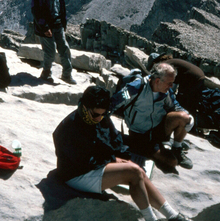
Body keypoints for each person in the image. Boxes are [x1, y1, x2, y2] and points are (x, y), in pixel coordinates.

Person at [53, 86, 190, 221]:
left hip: (96, 165)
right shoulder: (68, 128)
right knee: (133, 172)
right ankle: (151, 219)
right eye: (95, 115)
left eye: (103, 114)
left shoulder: (100, 117)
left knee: (138, 171)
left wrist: (122, 157)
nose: (99, 119)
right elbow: (83, 161)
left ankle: (172, 216)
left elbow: (115, 139)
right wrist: (112, 159)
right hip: (77, 174)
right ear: (84, 107)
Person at [111, 63, 194, 170]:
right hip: (139, 134)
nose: (171, 86)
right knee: (172, 162)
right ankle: (146, 148)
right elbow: (114, 102)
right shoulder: (135, 88)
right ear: (157, 81)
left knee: (184, 117)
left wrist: (187, 115)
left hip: (157, 130)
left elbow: (174, 106)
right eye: (169, 83)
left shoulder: (166, 92)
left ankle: (176, 148)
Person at [31, 0, 75, 84]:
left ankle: (67, 75)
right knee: (50, 53)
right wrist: (45, 28)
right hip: (46, 27)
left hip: (58, 25)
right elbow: (36, 12)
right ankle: (46, 74)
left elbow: (61, 8)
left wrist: (63, 23)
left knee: (64, 50)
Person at [147, 53, 206, 124]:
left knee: (183, 102)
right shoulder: (171, 62)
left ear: (154, 63)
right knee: (192, 103)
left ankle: (183, 124)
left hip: (192, 79)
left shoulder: (165, 67)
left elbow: (170, 88)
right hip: (199, 76)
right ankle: (192, 126)